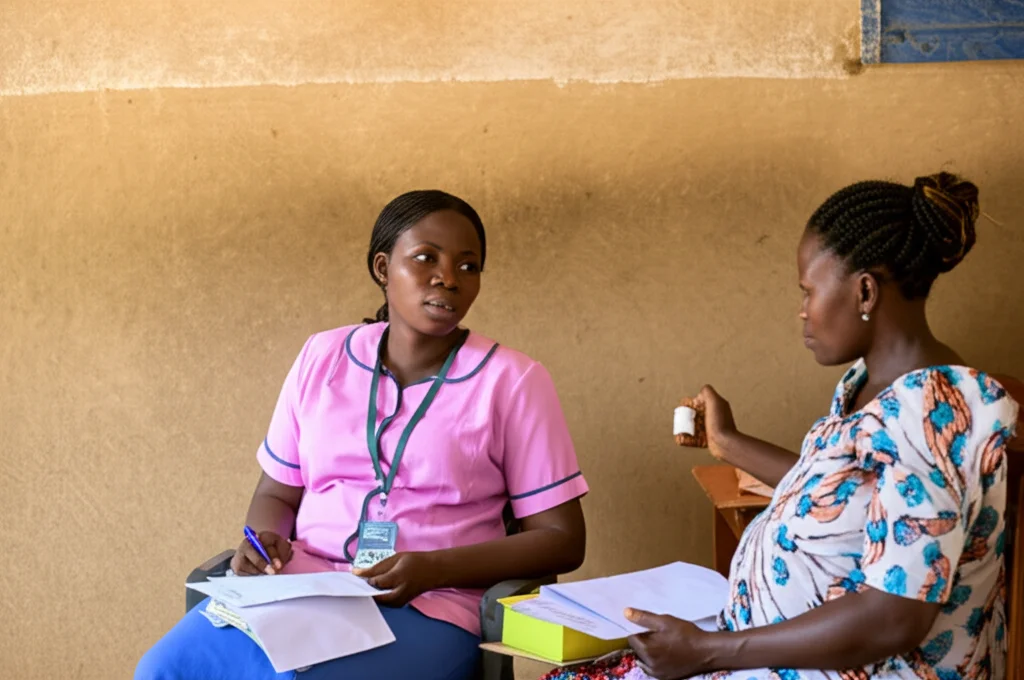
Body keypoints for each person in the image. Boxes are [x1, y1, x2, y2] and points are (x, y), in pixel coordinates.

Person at [542, 172, 1019, 680]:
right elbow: (841, 496)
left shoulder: (936, 413)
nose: (802, 312)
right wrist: (727, 443)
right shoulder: (871, 385)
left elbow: (893, 618)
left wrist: (709, 650)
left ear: (864, 292)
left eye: (808, 291)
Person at [136, 190, 589, 679]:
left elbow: (562, 539)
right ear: (381, 267)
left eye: (469, 266)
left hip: (431, 604)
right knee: (165, 668)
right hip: (301, 590)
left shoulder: (513, 381)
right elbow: (276, 493)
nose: (448, 278)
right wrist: (267, 541)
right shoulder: (321, 357)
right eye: (425, 258)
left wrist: (435, 568)